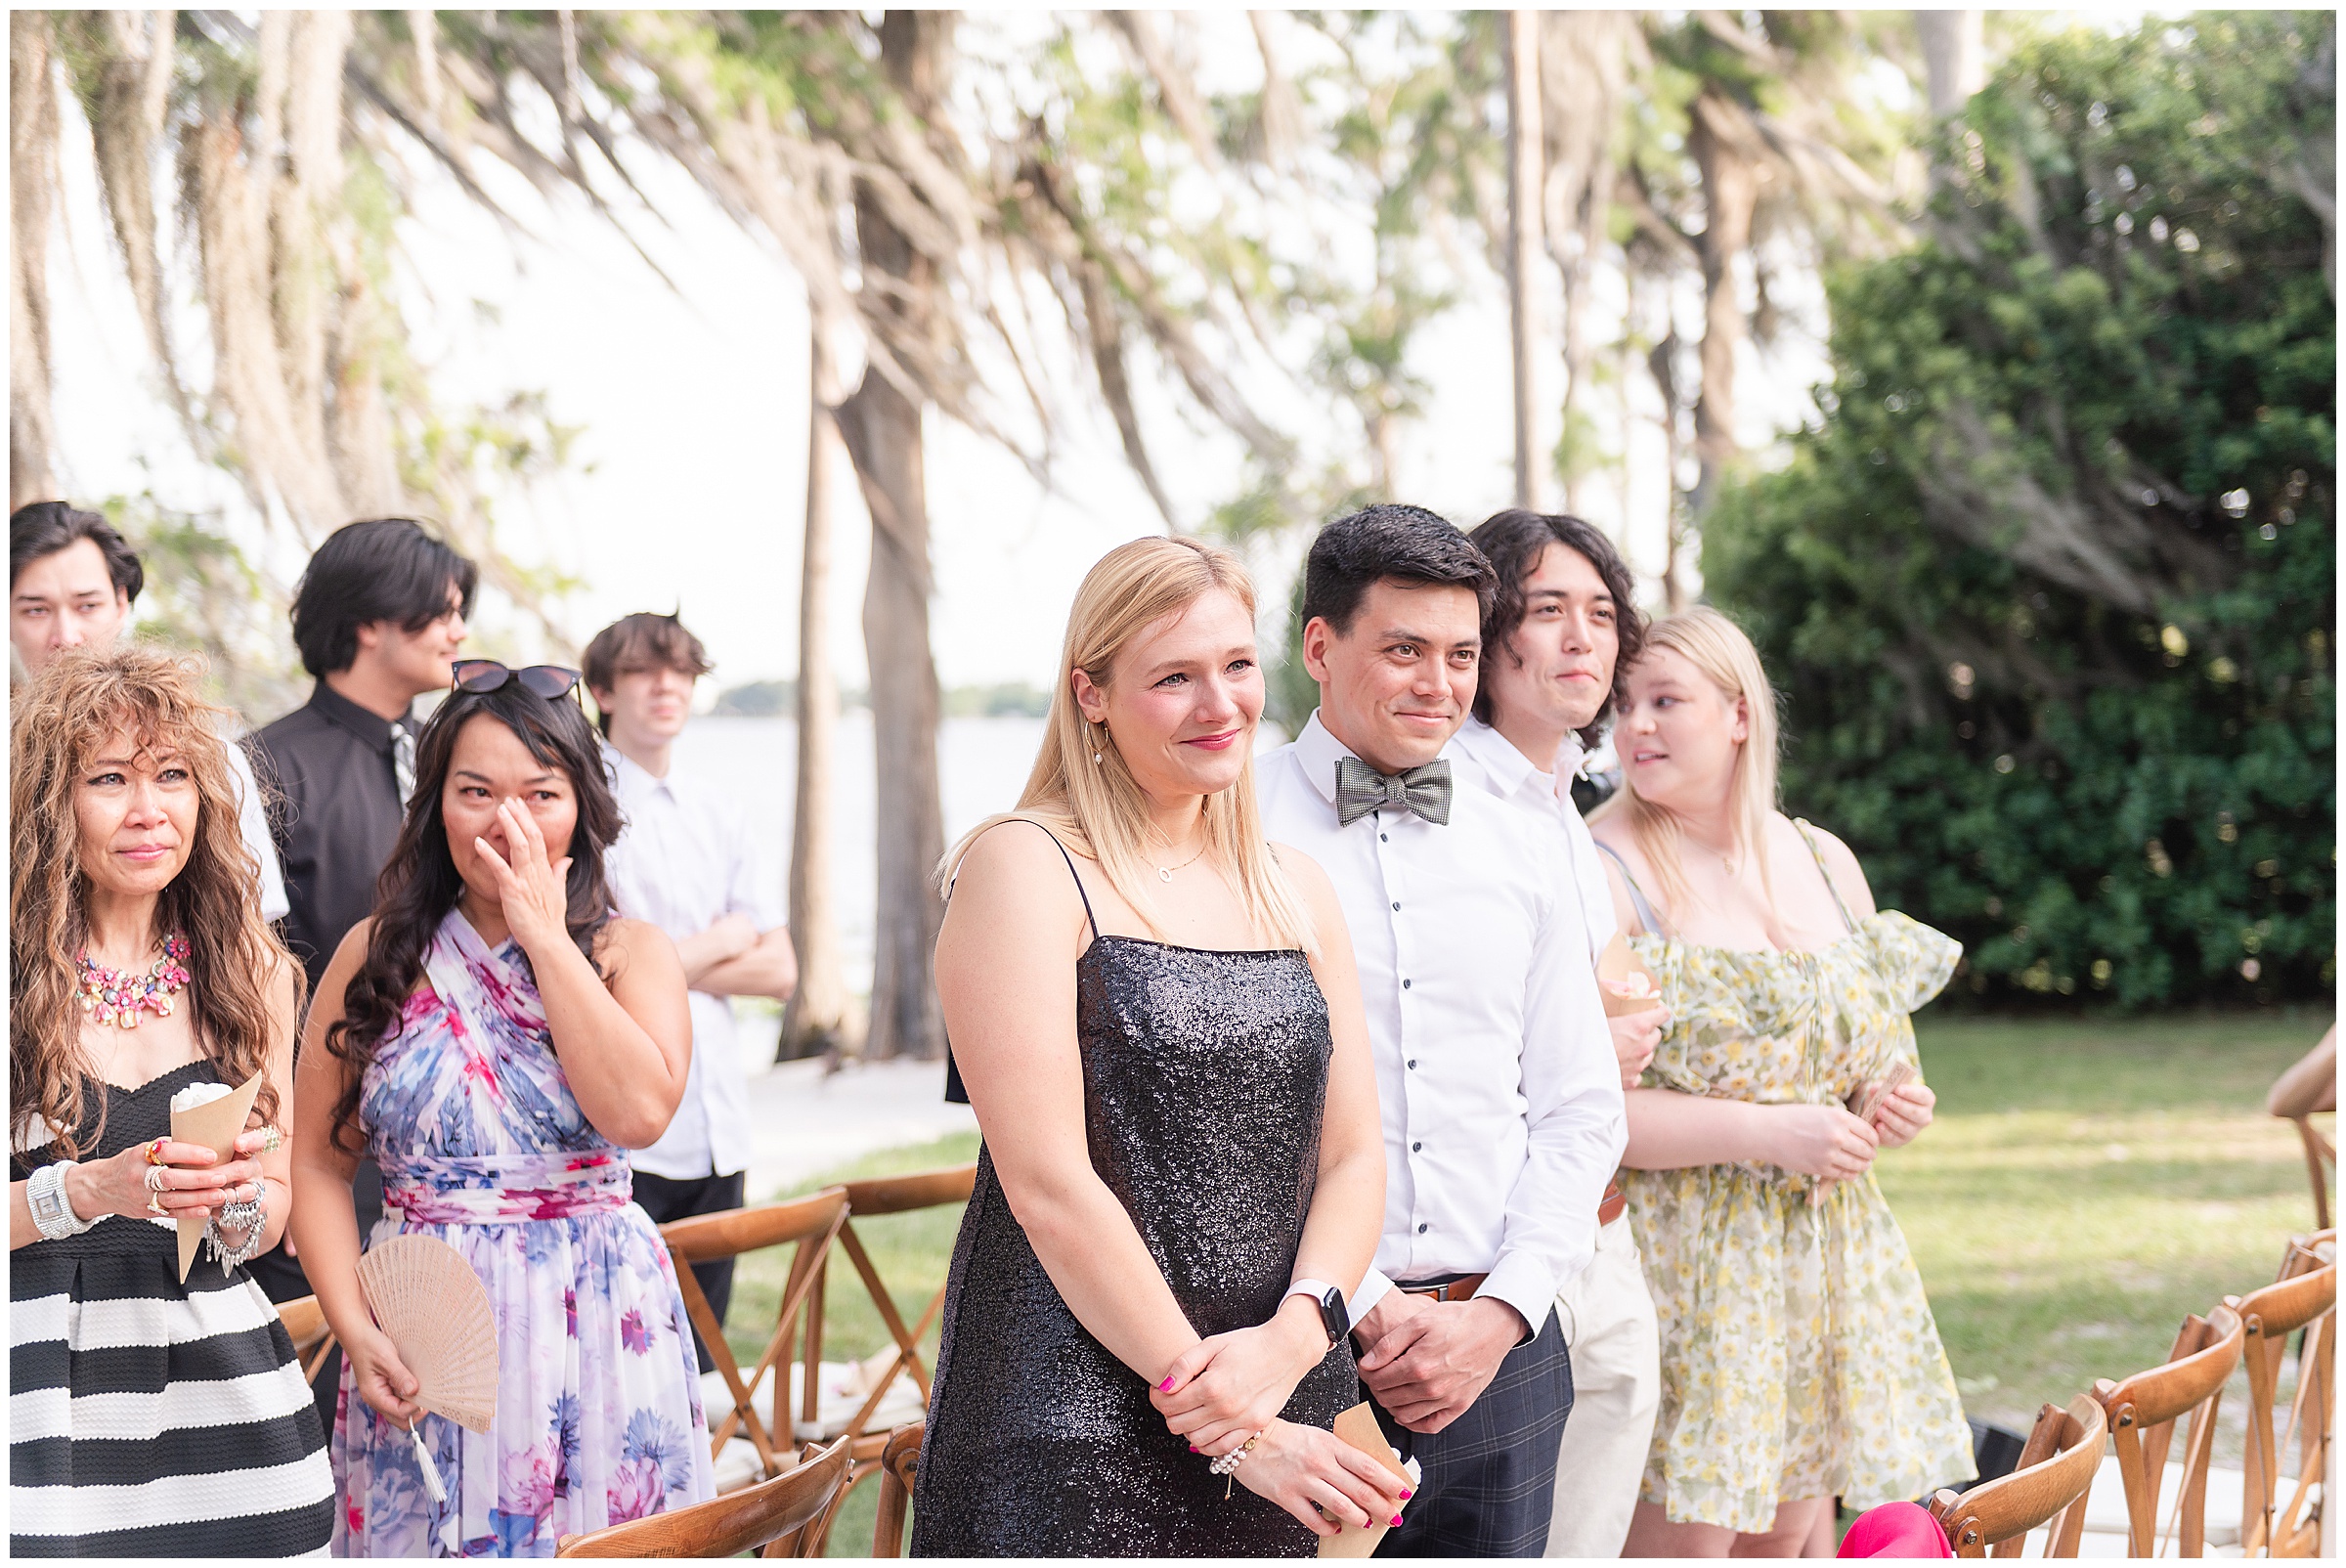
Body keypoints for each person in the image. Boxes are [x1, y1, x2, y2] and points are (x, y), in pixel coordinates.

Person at [914, 537, 1409, 1555]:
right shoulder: (1026, 865)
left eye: (1234, 665)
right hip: (1071, 1421)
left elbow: (1357, 1153)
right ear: (1089, 693)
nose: (1219, 703)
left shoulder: (1296, 887)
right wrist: (1232, 1426)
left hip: (1285, 1395)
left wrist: (1296, 1336)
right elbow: (1049, 1183)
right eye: (1172, 677)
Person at [1256, 503, 1628, 1557]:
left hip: (1505, 1351)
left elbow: (1580, 1106)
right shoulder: (1231, 827)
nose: (1439, 684)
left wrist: (1504, 1311)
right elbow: (1228, 1124)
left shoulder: (1527, 834)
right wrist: (1364, 1303)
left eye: (1461, 653)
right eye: (1404, 650)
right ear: (1320, 648)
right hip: (1303, 1345)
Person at [289, 660, 712, 1555]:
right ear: (435, 802)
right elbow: (320, 1159)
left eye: (541, 793)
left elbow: (639, 1113)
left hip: (592, 1319)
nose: (507, 821)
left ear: (583, 805)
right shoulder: (377, 956)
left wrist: (543, 937)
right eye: (475, 790)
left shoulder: (630, 954)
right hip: (427, 1340)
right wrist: (352, 1327)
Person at [1588, 607, 1975, 1557]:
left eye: (1664, 700)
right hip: (1695, 1266)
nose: (1634, 725)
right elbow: (1598, 1107)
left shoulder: (1820, 853)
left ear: (1738, 714)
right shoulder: (1605, 865)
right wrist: (1770, 1132)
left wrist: (1888, 1097)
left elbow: (1873, 1048)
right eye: (1623, 703)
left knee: (1799, 1535)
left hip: (1829, 1257)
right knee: (1690, 1540)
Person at [9, 645, 333, 1556]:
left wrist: (232, 1202)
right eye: (108, 779)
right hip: (38, 1405)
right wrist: (85, 1192)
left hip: (229, 1401)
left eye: (174, 776)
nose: (149, 811)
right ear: (47, 806)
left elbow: (269, 1209)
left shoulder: (255, 971)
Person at [1450, 508, 1665, 1559]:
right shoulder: (1436, 802)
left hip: (1602, 1231)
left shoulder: (1566, 815)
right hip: (1495, 1261)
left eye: (1600, 613)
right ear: (1489, 637)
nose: (1584, 637)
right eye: (1547, 611)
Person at [243, 517, 476, 1414]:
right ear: (372, 620)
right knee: (341, 1399)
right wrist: (297, 1168)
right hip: (330, 1143)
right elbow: (253, 981)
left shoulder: (449, 761)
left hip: (453, 1150)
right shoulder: (264, 768)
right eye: (440, 612)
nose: (457, 632)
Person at [586, 611, 796, 1372]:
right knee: (622, 1355)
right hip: (632, 1130)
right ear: (605, 689)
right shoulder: (583, 808)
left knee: (703, 1363)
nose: (666, 686)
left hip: (719, 1124)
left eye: (681, 671)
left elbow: (780, 970)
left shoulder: (719, 810)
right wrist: (724, 937)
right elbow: (592, 970)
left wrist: (662, 958)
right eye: (645, 671)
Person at [10, 501, 288, 927]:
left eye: (87, 606)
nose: (65, 636)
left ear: (122, 605)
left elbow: (251, 925)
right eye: (36, 610)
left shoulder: (209, 756)